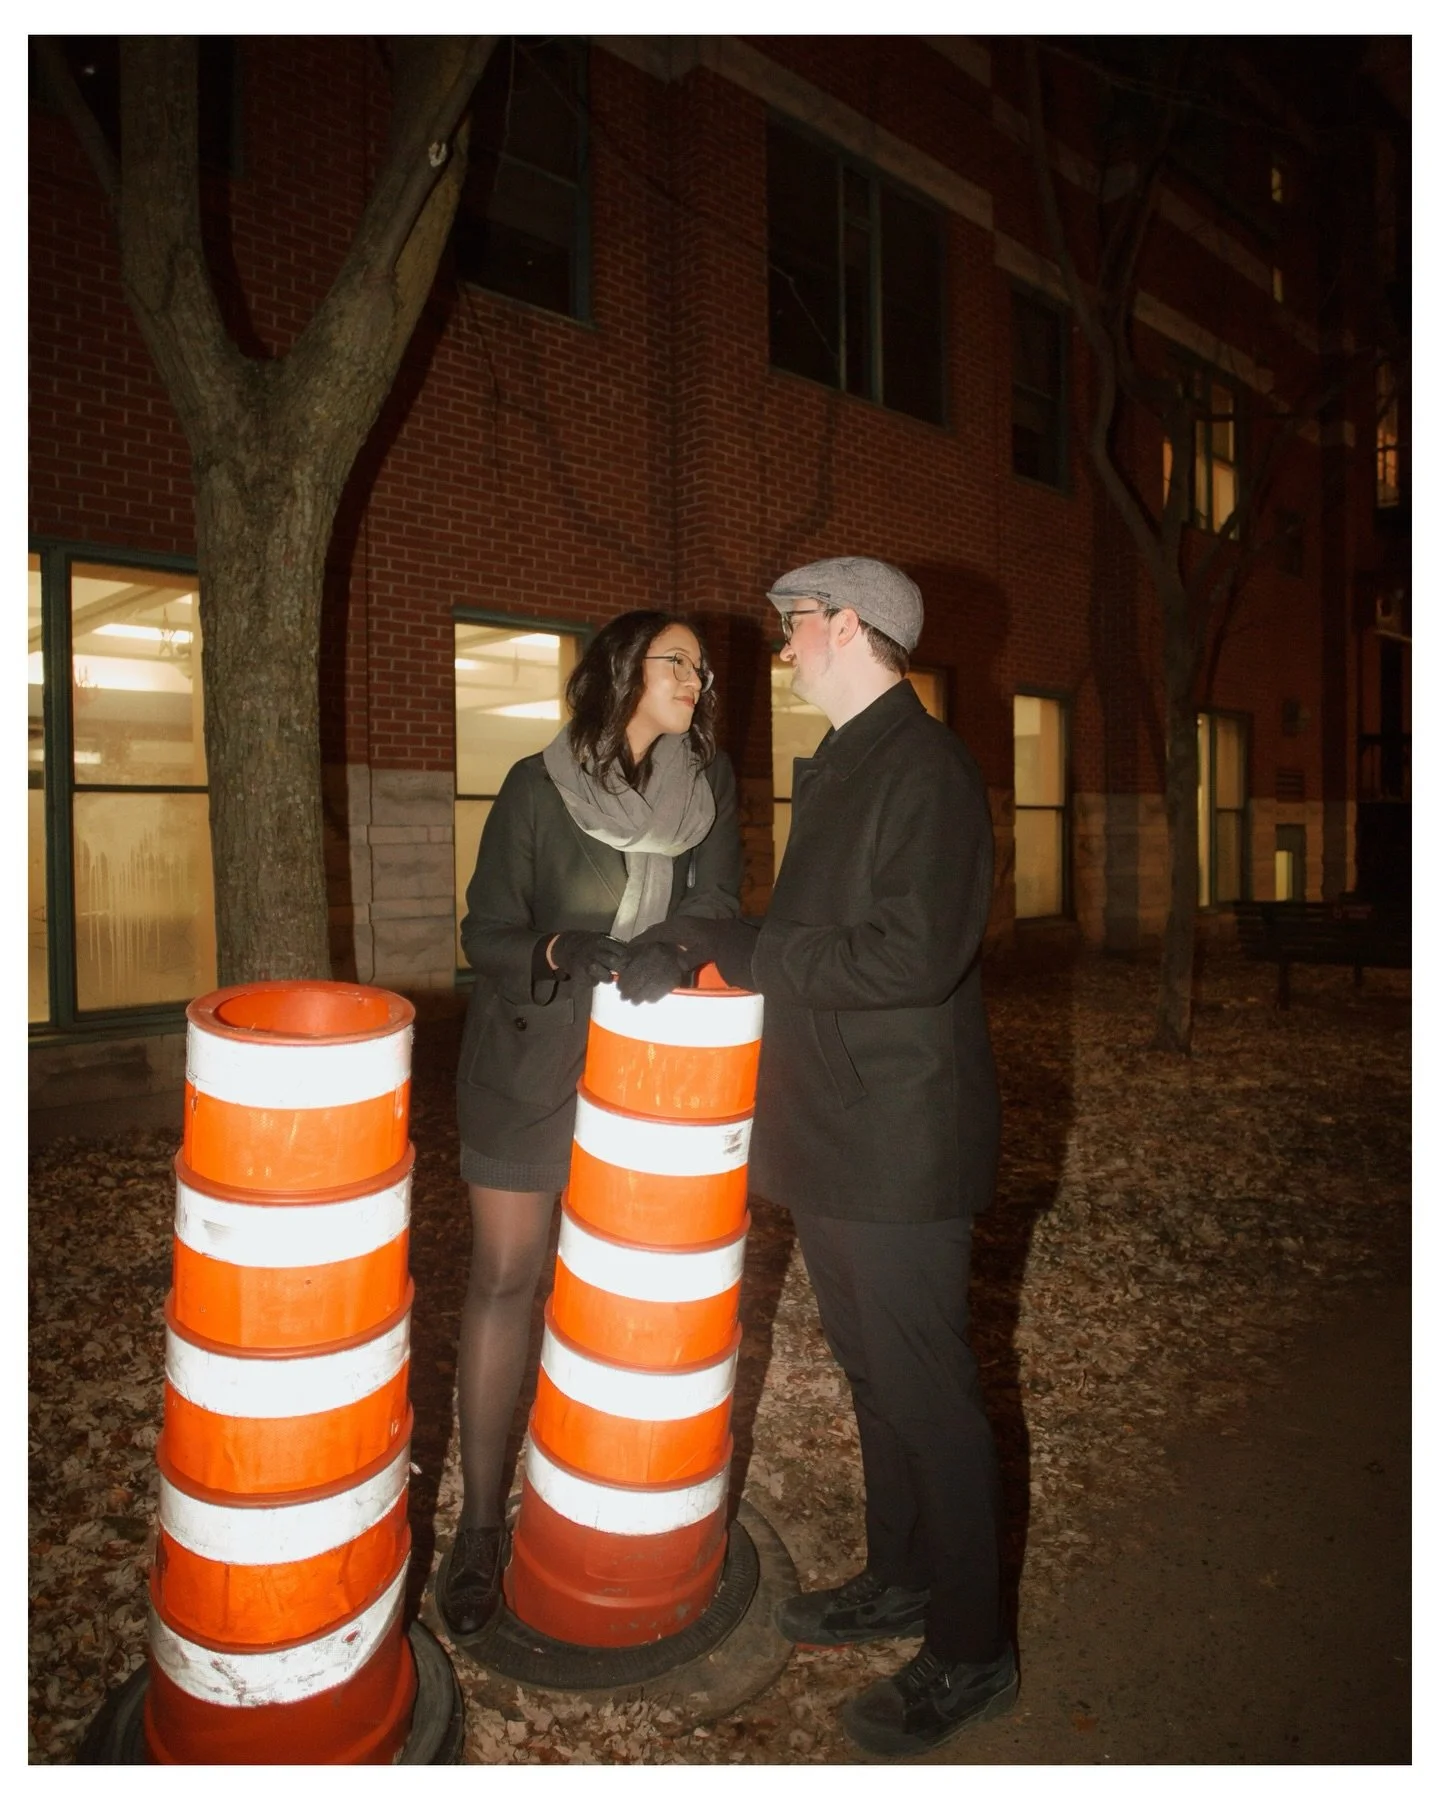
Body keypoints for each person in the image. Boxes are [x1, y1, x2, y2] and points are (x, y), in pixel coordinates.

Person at [630, 558, 1014, 1757]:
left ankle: (971, 1649)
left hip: (902, 1143)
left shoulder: (927, 769)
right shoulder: (849, 762)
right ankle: (900, 1579)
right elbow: (814, 939)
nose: (785, 647)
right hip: (842, 1132)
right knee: (875, 1376)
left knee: (930, 1397)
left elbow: (908, 961)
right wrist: (719, 935)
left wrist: (742, 952)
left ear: (850, 627)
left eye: (796, 627)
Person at [441, 610, 742, 1641]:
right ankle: (481, 1525)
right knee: (506, 1276)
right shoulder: (537, 787)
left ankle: (594, 1498)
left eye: (701, 667)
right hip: (527, 1058)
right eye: (675, 661)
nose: (695, 678)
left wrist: (678, 943)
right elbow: (485, 931)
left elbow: (722, 899)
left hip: (643, 1070)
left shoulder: (710, 785)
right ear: (621, 673)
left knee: (619, 1282)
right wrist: (565, 947)